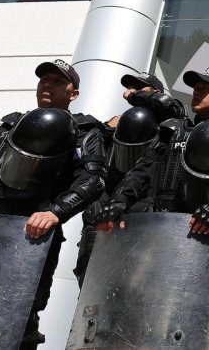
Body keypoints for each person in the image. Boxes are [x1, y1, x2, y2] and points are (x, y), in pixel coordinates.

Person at [0, 59, 107, 350]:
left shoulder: (84, 131)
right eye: (43, 80)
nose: (47, 85)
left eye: (56, 81)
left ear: (73, 93)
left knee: (19, 315)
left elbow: (93, 180)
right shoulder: (9, 125)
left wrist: (55, 212)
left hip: (30, 234)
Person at [96, 66, 209, 316]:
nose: (197, 92)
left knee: (192, 315)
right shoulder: (170, 130)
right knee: (139, 309)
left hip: (206, 238)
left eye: (206, 88)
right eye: (196, 88)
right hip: (159, 235)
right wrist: (119, 201)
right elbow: (141, 172)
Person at [72, 71, 178, 285]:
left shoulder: (169, 125)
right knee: (92, 288)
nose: (131, 90)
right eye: (131, 87)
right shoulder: (116, 124)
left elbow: (168, 105)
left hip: (142, 215)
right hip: (106, 214)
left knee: (136, 288)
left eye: (140, 87)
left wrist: (134, 97)